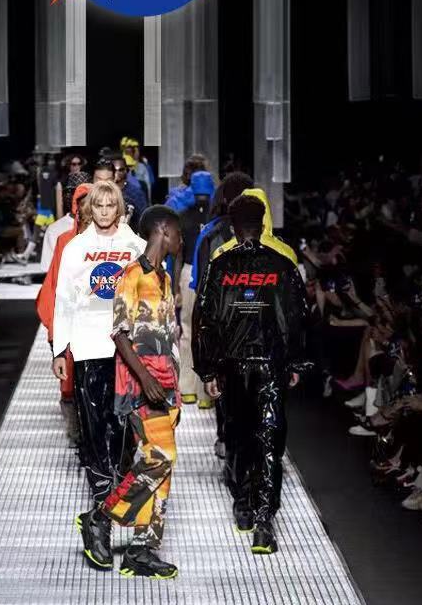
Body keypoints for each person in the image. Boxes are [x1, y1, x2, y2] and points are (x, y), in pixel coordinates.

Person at [195, 195, 309, 554]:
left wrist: (208, 369)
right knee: (269, 440)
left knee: (238, 434)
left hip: (232, 365)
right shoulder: (282, 264)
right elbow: (296, 316)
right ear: (262, 225)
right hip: (271, 365)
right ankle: (263, 522)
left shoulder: (220, 265)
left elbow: (206, 319)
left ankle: (243, 506)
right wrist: (295, 362)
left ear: (232, 226)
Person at [77, 205, 182, 580]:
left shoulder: (164, 278)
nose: (181, 240)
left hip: (165, 384)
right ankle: (100, 516)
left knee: (161, 468)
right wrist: (147, 380)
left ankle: (142, 550)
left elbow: (167, 337)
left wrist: (173, 387)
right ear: (164, 231)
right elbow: (119, 333)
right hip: (141, 386)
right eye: (179, 234)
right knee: (162, 458)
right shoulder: (131, 275)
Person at [51, 182, 146, 515]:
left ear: (119, 208)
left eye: (110, 205)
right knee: (93, 426)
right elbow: (63, 300)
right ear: (90, 209)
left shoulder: (136, 246)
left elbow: (149, 296)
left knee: (124, 423)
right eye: (99, 205)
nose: (105, 211)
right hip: (88, 345)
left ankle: (121, 485)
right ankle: (102, 493)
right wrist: (60, 350)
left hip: (127, 349)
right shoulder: (76, 248)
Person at [36, 182, 92, 443]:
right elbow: (53, 290)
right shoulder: (64, 242)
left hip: (103, 334)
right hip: (70, 332)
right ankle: (78, 436)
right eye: (85, 208)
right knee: (71, 390)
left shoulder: (115, 243)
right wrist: (56, 340)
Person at [176, 170, 215, 406]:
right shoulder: (216, 217)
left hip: (189, 271)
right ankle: (205, 393)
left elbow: (178, 254)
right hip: (211, 273)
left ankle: (187, 388)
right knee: (207, 331)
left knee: (187, 330)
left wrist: (175, 288)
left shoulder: (182, 216)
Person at [41, 171, 90, 273]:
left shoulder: (103, 226)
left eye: (83, 195)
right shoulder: (55, 230)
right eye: (72, 193)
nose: (76, 198)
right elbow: (49, 271)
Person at [111, 154, 147, 230]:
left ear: (126, 171)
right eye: (114, 170)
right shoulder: (106, 190)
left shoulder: (136, 192)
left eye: (121, 170)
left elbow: (143, 217)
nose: (117, 172)